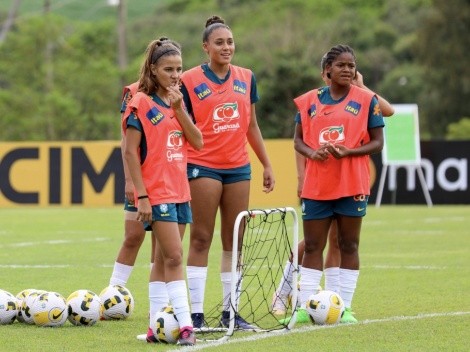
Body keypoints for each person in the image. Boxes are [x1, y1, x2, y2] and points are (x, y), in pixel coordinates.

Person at [274, 54, 394, 323]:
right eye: (341, 65)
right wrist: (312, 153)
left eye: (351, 65)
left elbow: (378, 143)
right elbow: (298, 140)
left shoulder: (366, 100)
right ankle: (304, 307)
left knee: (348, 244)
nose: (347, 70)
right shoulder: (308, 101)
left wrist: (350, 152)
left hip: (352, 184)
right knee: (314, 245)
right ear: (327, 70)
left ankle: (345, 308)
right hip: (317, 186)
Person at [180, 15, 275, 330]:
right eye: (219, 42)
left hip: (238, 168)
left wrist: (266, 163)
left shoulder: (247, 77)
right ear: (205, 47)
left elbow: (251, 125)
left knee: (234, 239)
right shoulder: (189, 80)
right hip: (203, 165)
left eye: (230, 42)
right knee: (201, 237)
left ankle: (230, 311)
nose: (226, 47)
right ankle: (194, 314)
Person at [123, 37, 203, 346]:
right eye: (169, 69)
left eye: (179, 69)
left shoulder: (177, 102)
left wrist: (180, 109)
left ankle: (155, 327)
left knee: (161, 261)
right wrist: (142, 195)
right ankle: (185, 326)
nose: (175, 75)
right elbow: (130, 152)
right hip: (158, 193)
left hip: (181, 191)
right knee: (174, 256)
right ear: (154, 69)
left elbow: (198, 142)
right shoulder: (140, 102)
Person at [108, 81, 157, 289]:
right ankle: (113, 294)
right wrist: (129, 180)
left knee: (164, 245)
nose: (174, 73)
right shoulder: (133, 92)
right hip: (140, 177)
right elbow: (126, 141)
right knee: (133, 235)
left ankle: (159, 303)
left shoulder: (179, 92)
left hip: (169, 176)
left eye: (177, 68)